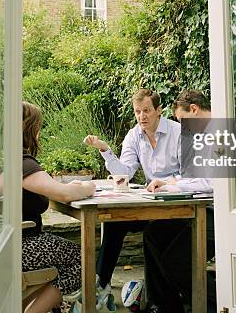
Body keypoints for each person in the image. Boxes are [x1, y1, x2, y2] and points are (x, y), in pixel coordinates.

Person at [83, 88, 182, 310]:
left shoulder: (178, 132)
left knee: (153, 234)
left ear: (159, 111)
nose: (141, 116)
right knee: (114, 221)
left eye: (146, 111)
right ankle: (102, 284)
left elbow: (190, 175)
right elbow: (125, 173)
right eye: (137, 112)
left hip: (180, 205)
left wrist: (166, 184)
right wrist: (105, 150)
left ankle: (159, 300)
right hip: (151, 205)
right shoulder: (134, 135)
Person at [16, 101, 96, 313]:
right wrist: (89, 186)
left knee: (68, 254)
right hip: (20, 247)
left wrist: (68, 187)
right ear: (31, 130)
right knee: (83, 260)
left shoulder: (10, 160)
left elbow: (53, 187)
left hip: (6, 243)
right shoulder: (23, 163)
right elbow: (64, 194)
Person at [143, 90, 217, 313]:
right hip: (202, 209)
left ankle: (218, 305)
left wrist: (173, 185)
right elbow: (193, 176)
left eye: (182, 120)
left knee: (176, 262)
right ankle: (167, 307)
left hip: (223, 215)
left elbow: (211, 183)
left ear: (193, 109)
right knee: (153, 234)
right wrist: (166, 183)